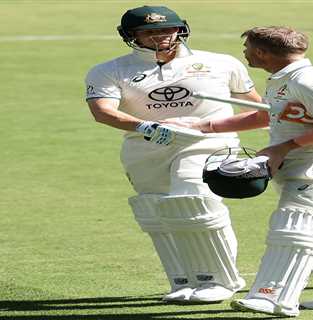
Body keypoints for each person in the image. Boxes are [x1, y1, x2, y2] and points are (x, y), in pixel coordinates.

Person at [176, 26, 313, 316]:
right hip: (302, 162)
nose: (245, 53)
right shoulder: (282, 79)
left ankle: (273, 296)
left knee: (295, 225)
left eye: (248, 48)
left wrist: (283, 147)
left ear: (262, 53)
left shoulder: (312, 81)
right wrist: (207, 126)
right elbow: (267, 115)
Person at [84, 5, 262, 303]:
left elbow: (255, 107)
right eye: (149, 32)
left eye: (166, 29)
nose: (160, 37)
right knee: (157, 211)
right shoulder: (109, 70)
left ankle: (219, 280)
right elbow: (103, 112)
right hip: (145, 147)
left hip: (206, 141)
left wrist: (214, 127)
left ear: (181, 28)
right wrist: (146, 126)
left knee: (193, 199)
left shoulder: (220, 63)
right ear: (131, 36)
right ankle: (184, 279)